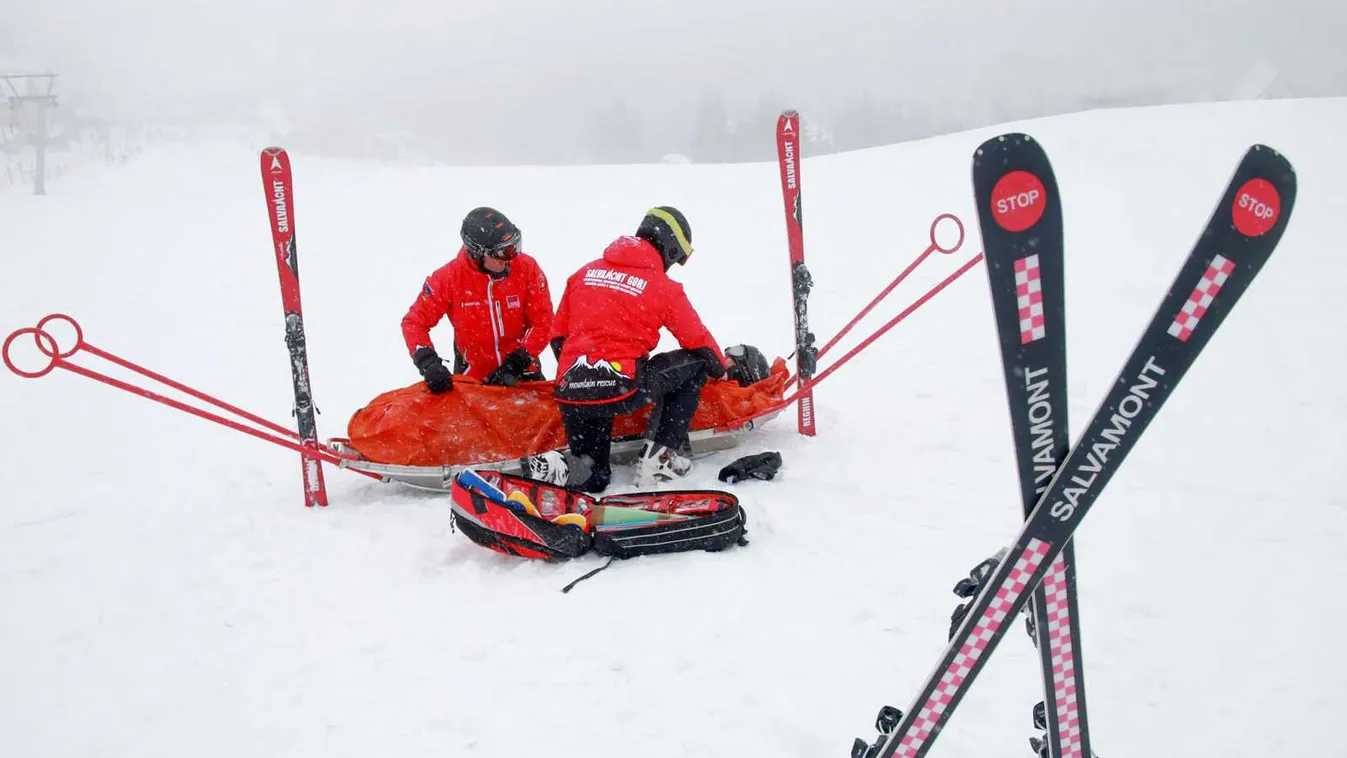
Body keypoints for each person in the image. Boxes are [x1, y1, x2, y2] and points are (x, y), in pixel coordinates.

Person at [529, 206, 731, 492]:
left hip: (572, 390)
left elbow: (558, 337)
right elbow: (698, 342)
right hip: (621, 387)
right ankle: (660, 457)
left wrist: (585, 381)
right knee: (696, 364)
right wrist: (721, 370)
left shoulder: (584, 273)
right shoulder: (663, 286)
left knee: (594, 478)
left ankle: (560, 467)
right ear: (671, 248)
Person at [401, 207, 555, 392]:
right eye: (502, 253)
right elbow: (414, 322)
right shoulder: (448, 278)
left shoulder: (527, 268)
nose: (510, 258)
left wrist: (517, 362)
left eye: (515, 247)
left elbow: (544, 322)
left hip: (522, 373)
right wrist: (428, 363)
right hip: (474, 381)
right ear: (477, 252)